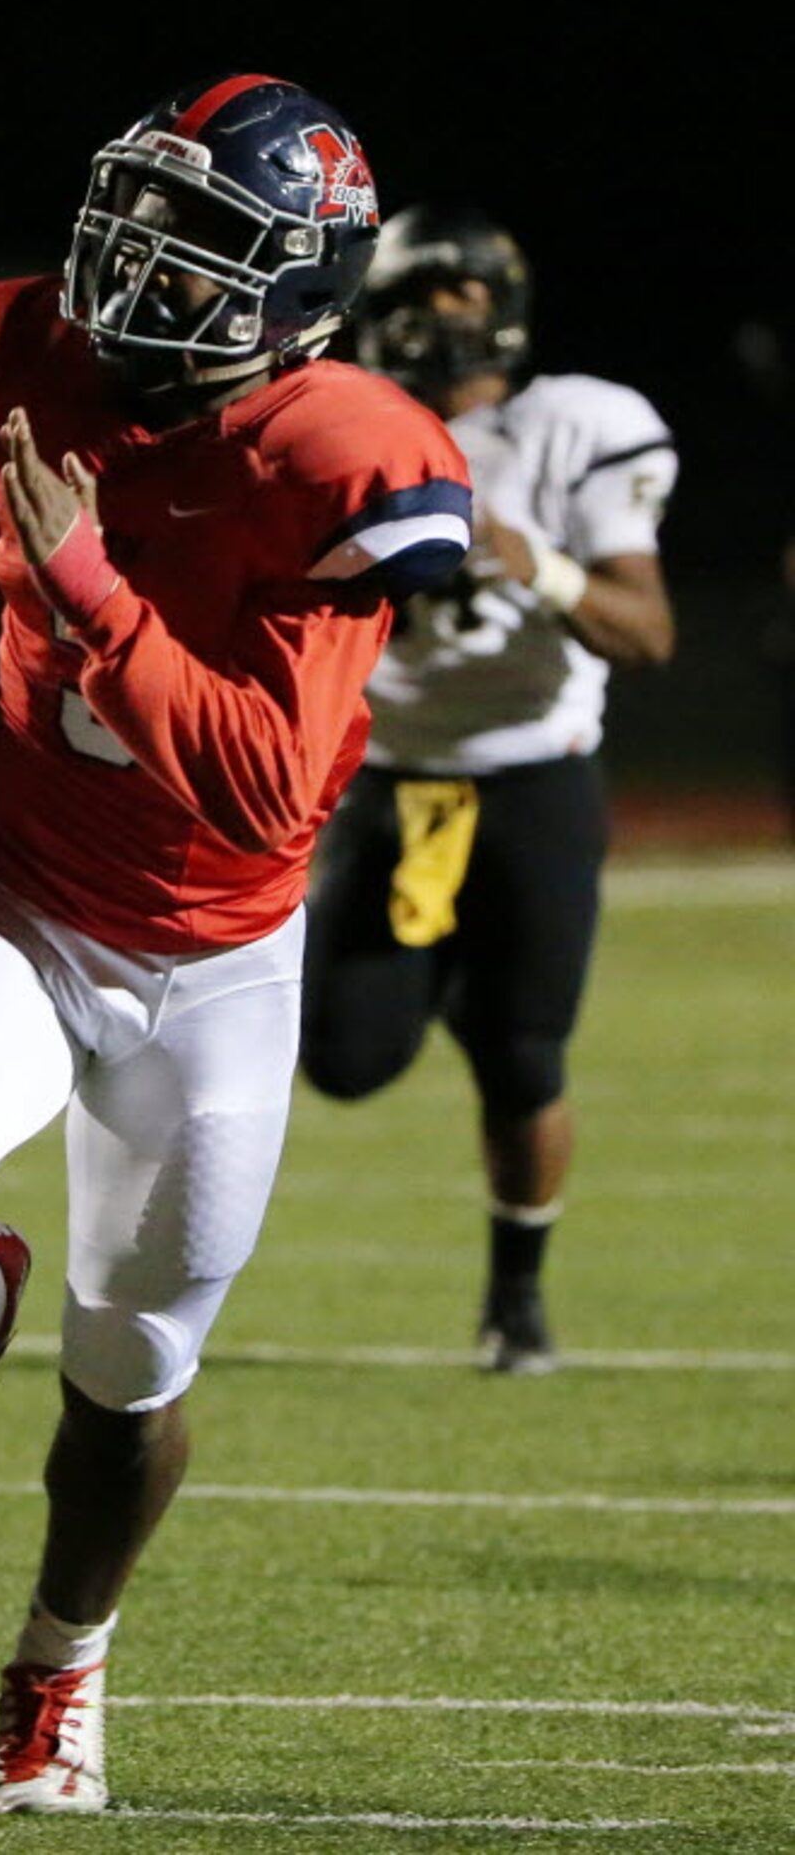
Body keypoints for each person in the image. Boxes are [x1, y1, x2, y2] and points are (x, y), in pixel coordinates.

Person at [0, 75, 470, 1811]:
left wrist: (86, 587)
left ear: (296, 286)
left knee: (128, 1371)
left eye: (198, 240)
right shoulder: (18, 351)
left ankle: (54, 1665)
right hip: (11, 889)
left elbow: (251, 783)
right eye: (137, 212)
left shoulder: (335, 458)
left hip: (213, 960)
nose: (138, 258)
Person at [300, 208, 677, 1374]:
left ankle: (517, 1299)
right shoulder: (347, 421)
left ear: (499, 309)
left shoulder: (581, 424)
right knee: (348, 1059)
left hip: (531, 777)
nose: (426, 327)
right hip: (390, 780)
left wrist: (539, 561)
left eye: (451, 301)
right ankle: (450, 985)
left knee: (523, 1060)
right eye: (405, 303)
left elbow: (646, 632)